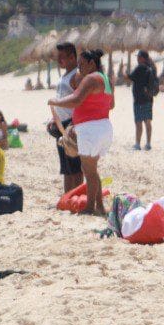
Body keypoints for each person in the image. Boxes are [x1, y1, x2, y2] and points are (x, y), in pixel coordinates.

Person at [49, 48, 113, 216]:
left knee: (88, 170)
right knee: (92, 169)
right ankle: (99, 206)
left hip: (91, 130)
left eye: (82, 65)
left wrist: (56, 102)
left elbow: (76, 100)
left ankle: (90, 207)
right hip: (103, 127)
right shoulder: (106, 79)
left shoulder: (91, 78)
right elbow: (111, 105)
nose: (79, 69)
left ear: (92, 63)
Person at [47, 42, 84, 196]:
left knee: (75, 165)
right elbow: (61, 99)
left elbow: (80, 101)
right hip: (60, 125)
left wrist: (75, 124)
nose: (59, 60)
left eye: (62, 57)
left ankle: (77, 197)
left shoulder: (77, 75)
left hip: (71, 124)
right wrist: (52, 118)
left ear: (72, 57)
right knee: (66, 167)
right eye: (58, 57)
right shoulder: (65, 75)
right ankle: (68, 198)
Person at [128, 50, 158, 151]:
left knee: (138, 122)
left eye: (138, 57)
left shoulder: (140, 67)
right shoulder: (152, 68)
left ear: (142, 58)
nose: (137, 59)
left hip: (139, 99)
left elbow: (130, 77)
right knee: (148, 122)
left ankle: (137, 144)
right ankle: (148, 143)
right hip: (149, 98)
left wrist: (124, 71)